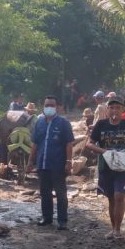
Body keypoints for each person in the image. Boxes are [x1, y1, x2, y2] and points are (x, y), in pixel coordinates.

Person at [86, 95, 125, 240]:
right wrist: (104, 151)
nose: (114, 110)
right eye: (111, 108)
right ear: (107, 110)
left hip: (123, 166)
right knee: (111, 198)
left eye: (118, 108)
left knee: (119, 196)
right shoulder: (101, 125)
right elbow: (89, 143)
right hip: (106, 166)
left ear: (123, 110)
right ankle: (113, 228)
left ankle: (117, 230)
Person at [27, 96, 75, 230]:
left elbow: (69, 143)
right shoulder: (39, 123)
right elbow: (35, 144)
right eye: (47, 105)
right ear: (43, 106)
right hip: (42, 164)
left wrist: (69, 161)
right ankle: (47, 218)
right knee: (45, 193)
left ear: (57, 107)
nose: (49, 107)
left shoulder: (63, 123)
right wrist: (30, 161)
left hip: (58, 165)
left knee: (61, 193)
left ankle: (62, 220)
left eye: (52, 105)